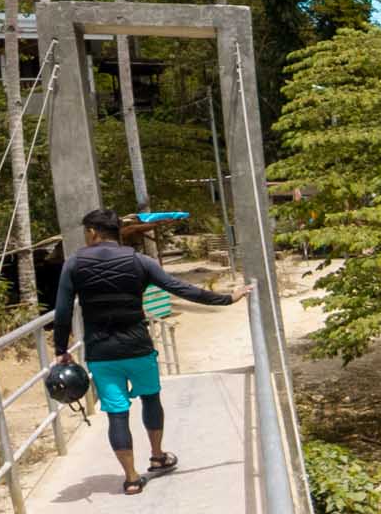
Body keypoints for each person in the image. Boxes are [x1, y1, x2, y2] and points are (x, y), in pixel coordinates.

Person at [51, 208, 240, 494]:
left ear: (92, 232)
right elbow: (180, 288)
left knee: (117, 414)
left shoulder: (74, 264)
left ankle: (130, 479)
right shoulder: (140, 261)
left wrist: (61, 349)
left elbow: (63, 310)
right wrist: (226, 298)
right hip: (138, 347)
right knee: (151, 399)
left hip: (101, 354)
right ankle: (158, 456)